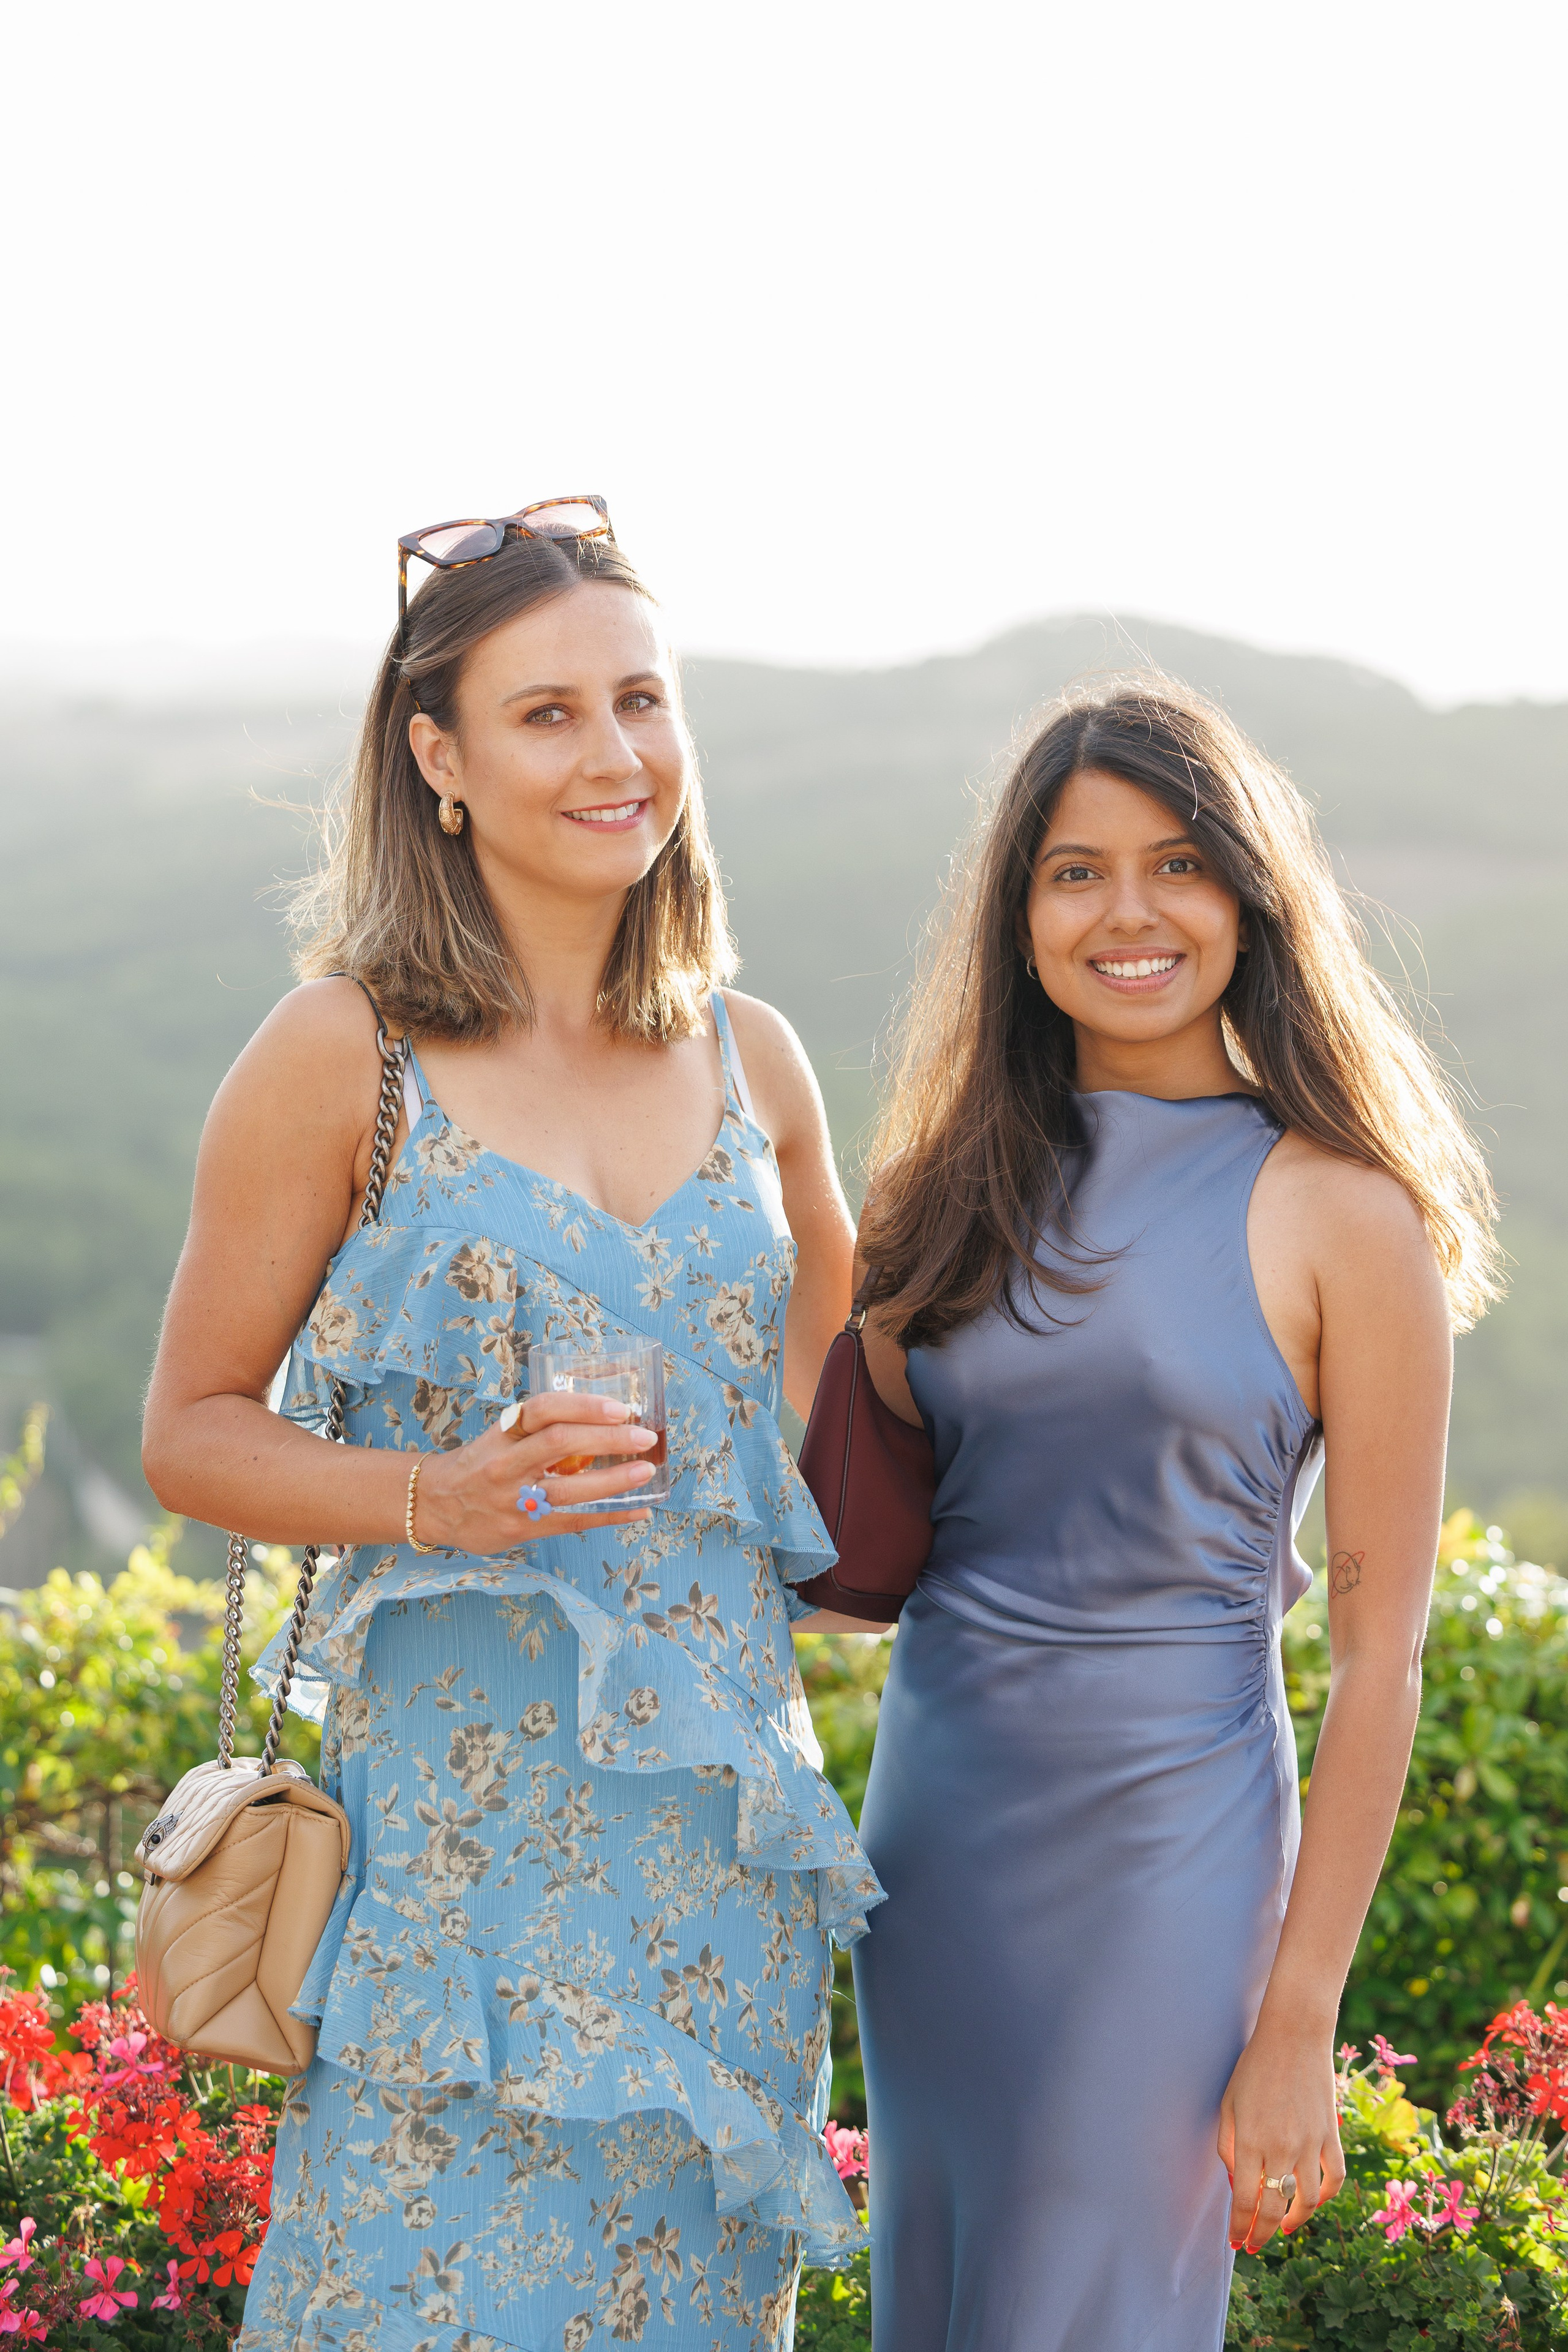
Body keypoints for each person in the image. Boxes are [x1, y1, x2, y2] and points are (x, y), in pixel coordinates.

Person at [141, 503, 883, 2351]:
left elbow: (861, 1454)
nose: (616, 753)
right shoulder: (342, 1053)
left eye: (643, 699)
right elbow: (192, 1430)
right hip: (454, 1894)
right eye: (548, 713)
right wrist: (434, 1494)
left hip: (726, 1884)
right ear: (438, 758)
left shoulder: (756, 1058)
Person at [847, 680, 1498, 2351]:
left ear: (1251, 897)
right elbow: (857, 1528)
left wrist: (1296, 2023)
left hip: (1167, 1864)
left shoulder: (1347, 1213)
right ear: (1019, 916)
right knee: (944, 2300)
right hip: (931, 1853)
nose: (1128, 912)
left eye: (1178, 865)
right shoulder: (948, 1189)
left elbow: (1380, 1661)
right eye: (1074, 872)